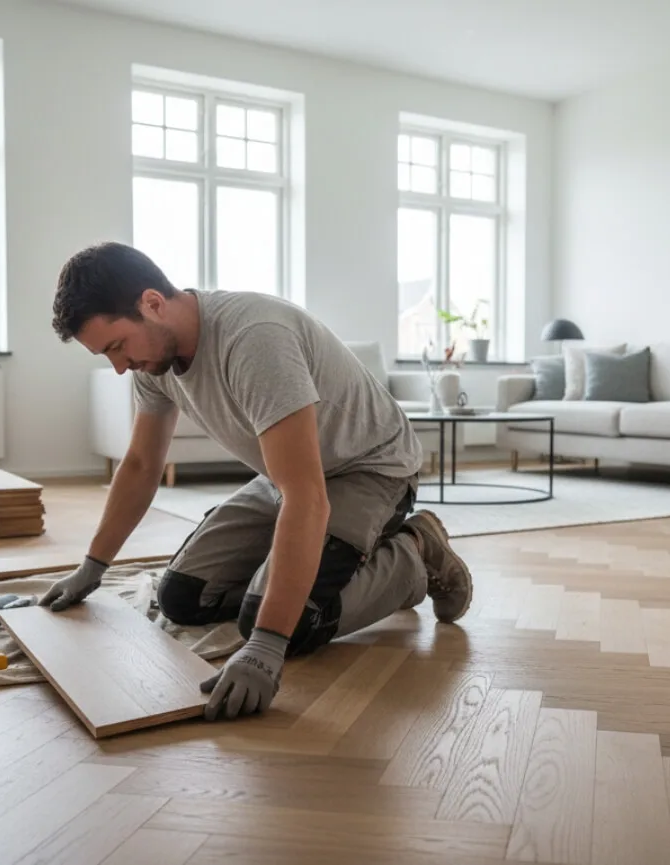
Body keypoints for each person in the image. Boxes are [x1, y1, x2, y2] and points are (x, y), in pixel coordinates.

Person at [40, 241, 473, 722]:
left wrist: (267, 643)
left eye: (117, 346)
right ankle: (296, 574)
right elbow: (142, 464)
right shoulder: (154, 363)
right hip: (287, 474)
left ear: (153, 303)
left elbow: (307, 496)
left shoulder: (254, 338)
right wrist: (93, 566)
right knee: (181, 597)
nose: (119, 366)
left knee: (293, 625)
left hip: (369, 470)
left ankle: (414, 552)